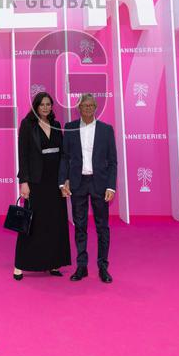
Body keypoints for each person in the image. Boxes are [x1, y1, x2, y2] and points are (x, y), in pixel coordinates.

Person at [13, 91, 71, 280]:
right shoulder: (27, 125)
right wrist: (24, 181)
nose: (46, 107)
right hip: (36, 182)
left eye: (48, 104)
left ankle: (53, 263)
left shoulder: (56, 125)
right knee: (32, 223)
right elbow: (23, 154)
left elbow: (63, 154)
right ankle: (20, 265)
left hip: (55, 182)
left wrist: (64, 180)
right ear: (36, 106)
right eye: (42, 104)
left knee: (55, 222)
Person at [59, 93, 116, 283]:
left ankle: (103, 267)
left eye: (91, 105)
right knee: (80, 226)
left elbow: (113, 162)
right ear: (79, 108)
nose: (88, 109)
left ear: (96, 107)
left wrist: (111, 186)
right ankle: (82, 266)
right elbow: (65, 157)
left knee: (102, 227)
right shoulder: (70, 128)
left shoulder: (106, 130)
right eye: (85, 106)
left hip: (99, 183)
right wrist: (63, 181)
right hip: (78, 183)